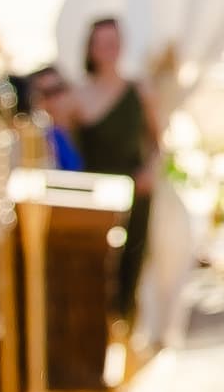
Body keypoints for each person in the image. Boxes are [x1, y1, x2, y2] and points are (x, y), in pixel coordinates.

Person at [62, 17, 160, 329]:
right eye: (102, 43)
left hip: (136, 191)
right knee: (98, 270)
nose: (108, 49)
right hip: (97, 197)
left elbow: (158, 141)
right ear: (91, 49)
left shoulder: (140, 89)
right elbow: (63, 150)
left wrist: (149, 172)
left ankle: (127, 331)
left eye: (113, 43)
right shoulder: (77, 98)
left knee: (132, 265)